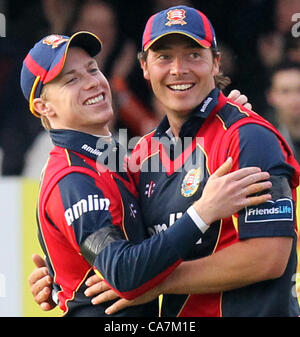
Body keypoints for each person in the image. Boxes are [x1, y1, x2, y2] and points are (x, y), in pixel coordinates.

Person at [28, 5, 300, 317]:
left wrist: (153, 284)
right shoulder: (140, 155)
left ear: (216, 63)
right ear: (144, 67)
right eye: (164, 57)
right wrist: (62, 274)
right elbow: (127, 247)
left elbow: (269, 257)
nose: (178, 69)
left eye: (194, 55)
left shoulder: (248, 137)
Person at [266, 61, 300, 163]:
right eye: (285, 91)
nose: (295, 99)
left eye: (299, 90)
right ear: (271, 96)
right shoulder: (263, 136)